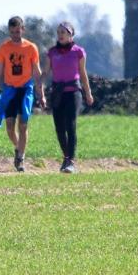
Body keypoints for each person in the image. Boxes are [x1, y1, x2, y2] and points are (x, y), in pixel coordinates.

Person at [0, 16, 46, 172]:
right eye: (12, 31)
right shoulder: (4, 48)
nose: (15, 34)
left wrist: (41, 93)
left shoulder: (31, 48)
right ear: (9, 31)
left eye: (17, 31)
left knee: (23, 125)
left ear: (23, 29)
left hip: (25, 90)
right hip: (9, 90)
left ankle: (21, 158)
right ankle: (18, 148)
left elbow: (37, 72)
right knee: (9, 127)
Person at [42, 21, 94, 173]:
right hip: (57, 92)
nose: (60, 36)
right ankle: (66, 157)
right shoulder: (52, 52)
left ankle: (71, 161)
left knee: (70, 125)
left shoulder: (78, 52)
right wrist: (39, 84)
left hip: (73, 92)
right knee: (59, 128)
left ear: (71, 35)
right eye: (58, 33)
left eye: (63, 33)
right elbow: (46, 72)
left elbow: (83, 74)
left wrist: (88, 93)